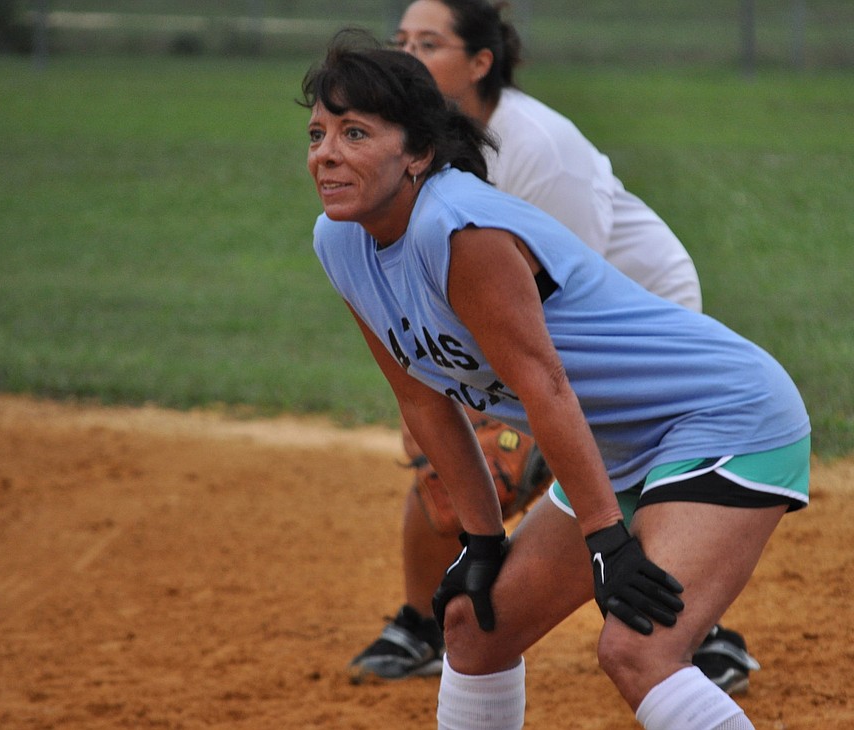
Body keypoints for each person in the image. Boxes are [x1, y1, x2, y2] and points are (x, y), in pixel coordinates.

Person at [303, 31, 811, 730]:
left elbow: (546, 388)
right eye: (318, 133)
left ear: (417, 152)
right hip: (619, 448)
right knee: (474, 628)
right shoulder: (341, 240)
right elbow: (421, 397)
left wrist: (608, 545)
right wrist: (482, 542)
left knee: (637, 650)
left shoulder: (457, 228)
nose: (326, 153)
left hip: (723, 418)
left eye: (354, 132)